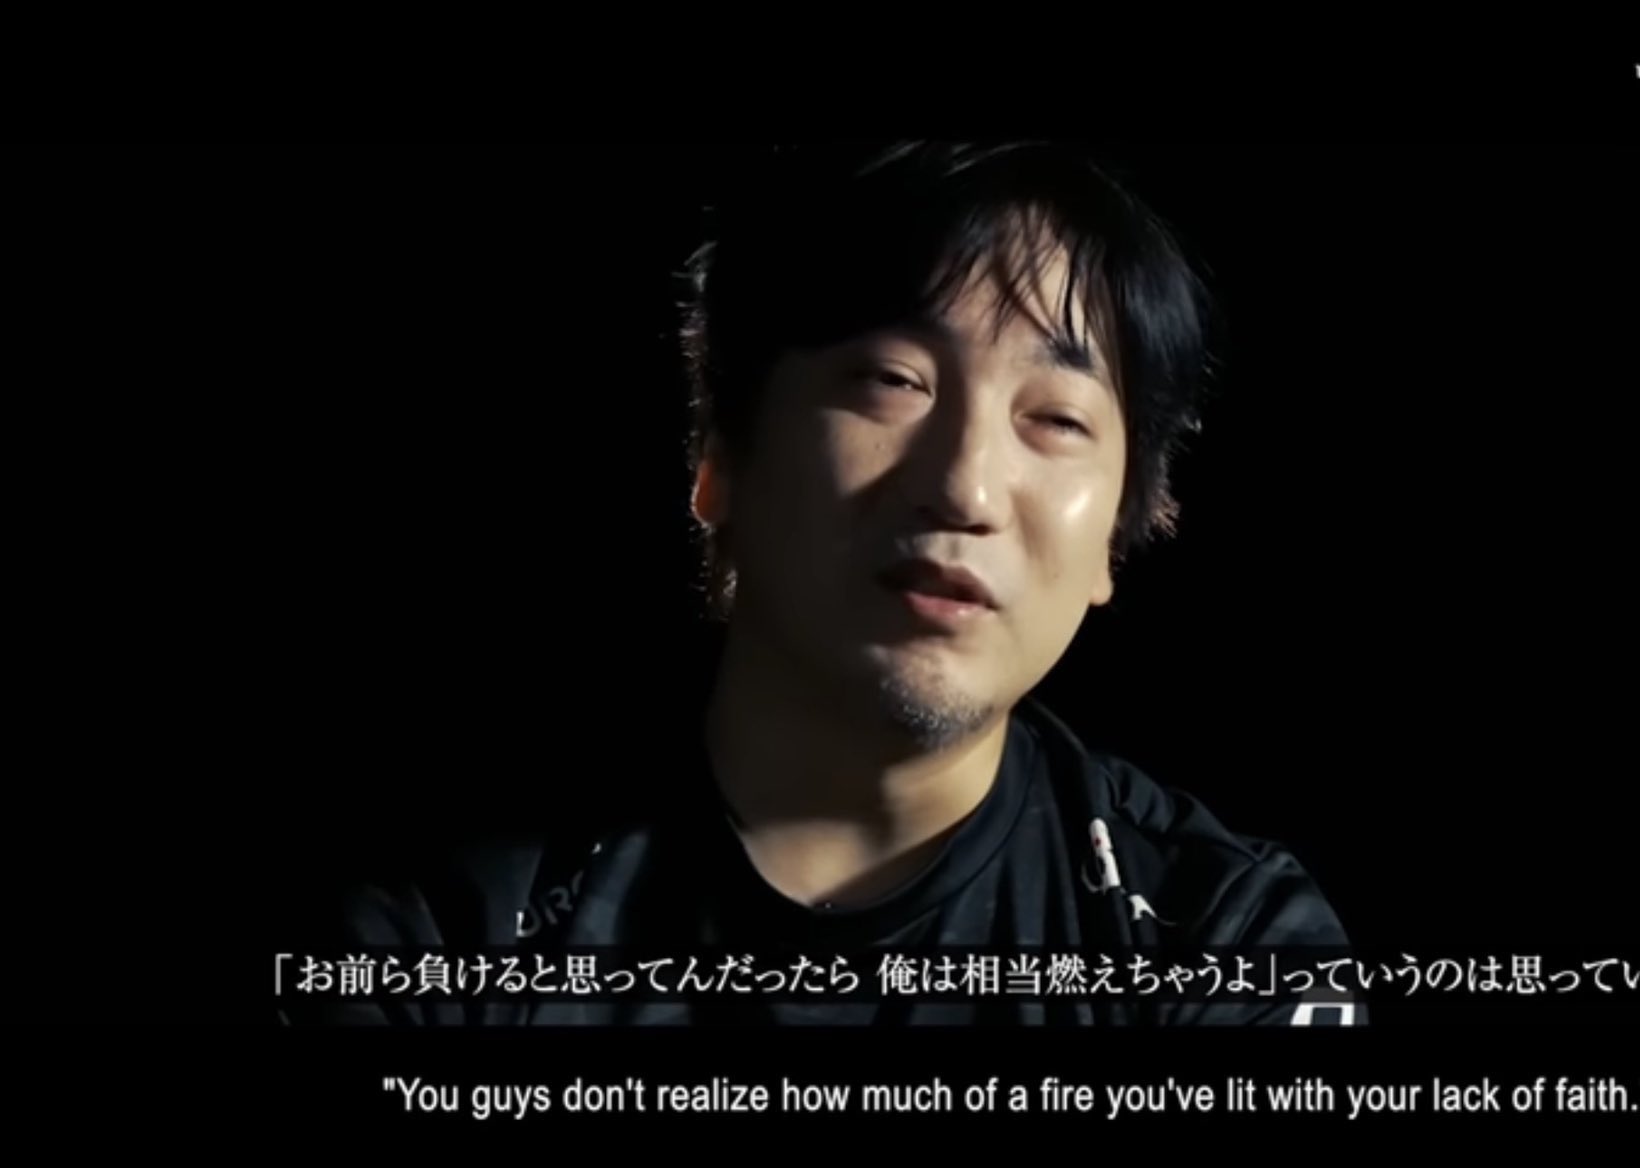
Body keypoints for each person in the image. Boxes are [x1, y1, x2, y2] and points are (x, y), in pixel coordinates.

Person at [285, 141, 1354, 1026]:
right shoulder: (448, 925)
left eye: (1056, 420)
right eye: (893, 380)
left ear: (1115, 538)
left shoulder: (1223, 942)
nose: (966, 486)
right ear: (719, 456)